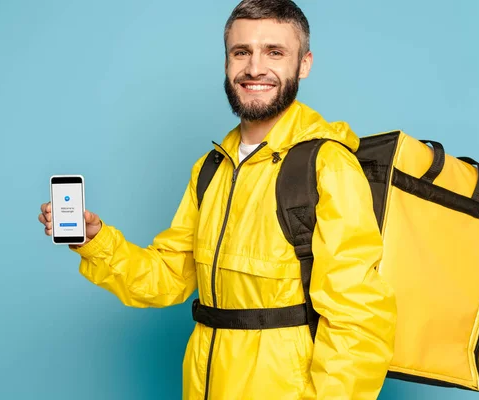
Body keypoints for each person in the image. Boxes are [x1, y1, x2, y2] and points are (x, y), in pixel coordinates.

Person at [38, 0, 397, 398]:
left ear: (304, 64)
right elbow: (166, 279)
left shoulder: (327, 165)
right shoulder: (210, 169)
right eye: (241, 52)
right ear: (227, 61)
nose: (255, 68)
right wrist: (94, 240)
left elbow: (358, 319)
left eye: (274, 52)